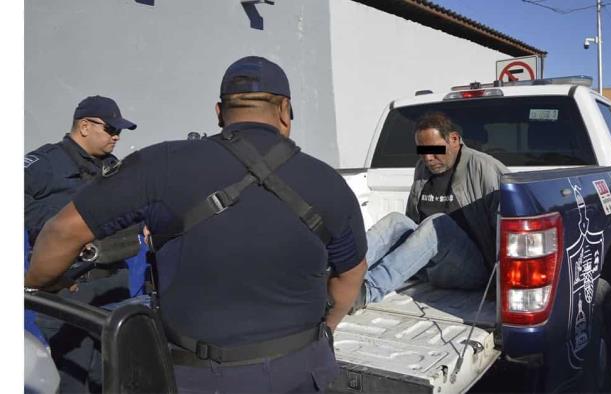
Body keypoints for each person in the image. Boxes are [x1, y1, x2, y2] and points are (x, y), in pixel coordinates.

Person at [26, 56, 368, 393]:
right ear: (284, 110)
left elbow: (63, 230)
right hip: (300, 371)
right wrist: (326, 327)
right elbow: (351, 274)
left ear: (219, 112)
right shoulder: (329, 182)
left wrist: (42, 284)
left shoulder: (160, 164)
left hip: (200, 377)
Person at [24, 95, 138, 392]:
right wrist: (58, 229)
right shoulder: (46, 163)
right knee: (71, 380)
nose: (116, 136)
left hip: (114, 287)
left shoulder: (117, 169)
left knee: (113, 379)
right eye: (111, 129)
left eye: (120, 131)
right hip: (69, 287)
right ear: (85, 126)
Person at [356, 112, 508, 306]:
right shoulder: (422, 168)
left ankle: (365, 291)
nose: (428, 158)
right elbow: (412, 220)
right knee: (396, 220)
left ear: (453, 139)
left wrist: (501, 282)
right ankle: (341, 274)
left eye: (434, 149)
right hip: (431, 266)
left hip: (474, 271)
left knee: (437, 224)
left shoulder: (484, 168)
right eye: (422, 151)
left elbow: (509, 230)